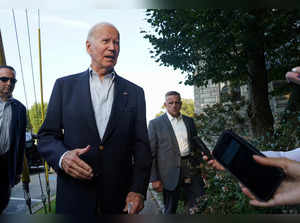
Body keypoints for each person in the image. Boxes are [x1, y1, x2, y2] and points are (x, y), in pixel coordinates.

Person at [37, 22, 152, 215]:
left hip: (120, 201)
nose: (113, 47)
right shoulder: (64, 87)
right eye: (106, 41)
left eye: (117, 43)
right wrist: (63, 157)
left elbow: (141, 146)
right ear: (89, 47)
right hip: (75, 198)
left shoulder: (134, 93)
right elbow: (47, 136)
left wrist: (138, 189)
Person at [148, 91, 205, 214]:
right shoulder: (155, 124)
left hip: (190, 168)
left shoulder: (189, 121)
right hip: (169, 173)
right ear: (165, 104)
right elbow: (151, 154)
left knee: (197, 204)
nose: (174, 105)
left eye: (177, 102)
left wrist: (202, 167)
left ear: (181, 104)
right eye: (170, 103)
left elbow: (195, 146)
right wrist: (154, 179)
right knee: (170, 208)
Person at [0, 65, 26, 214]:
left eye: (12, 81)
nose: (9, 83)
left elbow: (20, 143)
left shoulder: (20, 109)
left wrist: (17, 171)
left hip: (5, 165)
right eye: (4, 79)